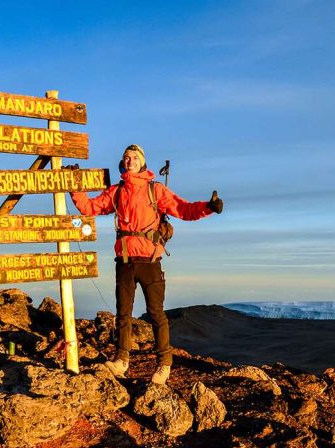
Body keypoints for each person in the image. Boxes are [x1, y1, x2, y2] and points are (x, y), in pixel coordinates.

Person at [68, 144, 223, 384]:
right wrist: (75, 187)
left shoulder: (155, 190)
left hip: (150, 261)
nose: (130, 161)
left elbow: (183, 209)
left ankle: (164, 364)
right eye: (126, 158)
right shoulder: (117, 192)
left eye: (134, 158)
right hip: (125, 261)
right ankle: (121, 360)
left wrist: (208, 208)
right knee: (123, 313)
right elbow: (90, 207)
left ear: (142, 162)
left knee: (156, 314)